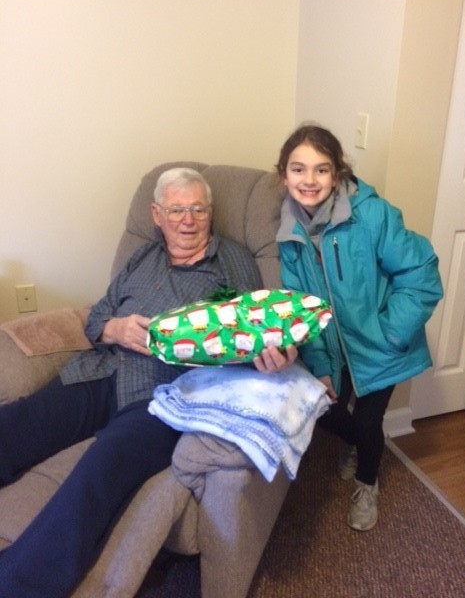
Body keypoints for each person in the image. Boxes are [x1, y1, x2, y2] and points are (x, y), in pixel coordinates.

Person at [0, 167, 293, 597]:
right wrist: (115, 329)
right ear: (157, 214)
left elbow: (248, 335)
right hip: (101, 371)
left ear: (210, 212)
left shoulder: (232, 262)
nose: (187, 220)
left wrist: (266, 358)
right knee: (16, 423)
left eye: (198, 209)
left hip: (164, 396)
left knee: (100, 468)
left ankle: (17, 585)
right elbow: (97, 314)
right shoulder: (143, 258)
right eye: (176, 209)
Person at [274, 123, 443, 531]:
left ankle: (369, 481)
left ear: (338, 174)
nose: (309, 180)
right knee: (324, 409)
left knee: (369, 422)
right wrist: (320, 367)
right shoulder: (289, 232)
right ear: (284, 175)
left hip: (379, 343)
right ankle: (358, 443)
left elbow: (421, 272)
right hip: (332, 346)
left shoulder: (372, 215)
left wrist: (391, 333)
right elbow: (303, 308)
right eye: (298, 169)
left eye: (321, 169)